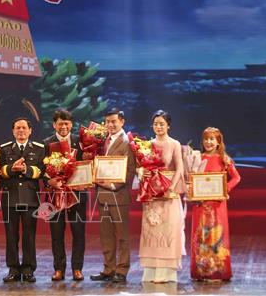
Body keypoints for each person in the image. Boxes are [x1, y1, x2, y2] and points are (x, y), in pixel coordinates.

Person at [138, 110, 185, 283]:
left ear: (168, 126)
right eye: (156, 124)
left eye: (162, 124)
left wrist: (170, 187)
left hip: (168, 194)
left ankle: (166, 274)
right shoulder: (147, 145)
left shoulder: (174, 144)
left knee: (168, 230)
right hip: (152, 194)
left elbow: (179, 168)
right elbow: (141, 166)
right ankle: (151, 272)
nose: (158, 127)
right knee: (152, 230)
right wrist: (141, 172)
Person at [90, 109, 136, 283]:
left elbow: (130, 170)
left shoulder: (127, 142)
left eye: (114, 121)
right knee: (106, 235)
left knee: (122, 236)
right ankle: (108, 269)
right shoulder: (102, 140)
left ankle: (122, 270)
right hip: (102, 194)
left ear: (122, 122)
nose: (110, 124)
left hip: (119, 194)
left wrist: (113, 185)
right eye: (107, 121)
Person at [190, 127, 241, 281]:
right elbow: (191, 179)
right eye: (206, 139)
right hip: (200, 204)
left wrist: (225, 189)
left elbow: (236, 178)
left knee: (216, 236)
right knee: (201, 236)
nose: (209, 142)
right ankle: (201, 271)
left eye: (212, 139)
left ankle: (218, 271)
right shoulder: (197, 158)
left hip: (217, 204)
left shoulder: (224, 159)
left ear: (218, 141)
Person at [0, 117, 45, 283]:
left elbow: (42, 170)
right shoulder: (4, 149)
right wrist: (12, 169)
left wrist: (26, 169)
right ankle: (13, 269)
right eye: (17, 128)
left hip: (30, 198)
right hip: (10, 197)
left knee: (29, 236)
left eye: (24, 128)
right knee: (11, 236)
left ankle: (28, 269)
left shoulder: (39, 148)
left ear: (30, 131)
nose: (21, 130)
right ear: (13, 131)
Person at [43, 109, 86, 281]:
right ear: (54, 125)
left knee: (78, 232)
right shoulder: (46, 143)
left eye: (66, 123)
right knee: (56, 234)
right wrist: (49, 182)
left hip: (77, 194)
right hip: (55, 195)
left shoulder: (81, 142)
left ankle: (77, 268)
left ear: (71, 124)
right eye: (60, 123)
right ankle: (59, 269)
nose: (63, 127)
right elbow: (41, 169)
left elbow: (86, 165)